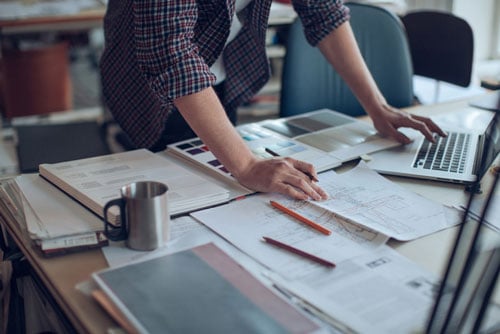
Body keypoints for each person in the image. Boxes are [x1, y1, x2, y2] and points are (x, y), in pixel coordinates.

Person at [100, 0, 446, 202]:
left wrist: (377, 106)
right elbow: (170, 55)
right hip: (146, 81)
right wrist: (247, 166)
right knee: (172, 196)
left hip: (216, 70)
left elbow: (323, 10)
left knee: (220, 184)